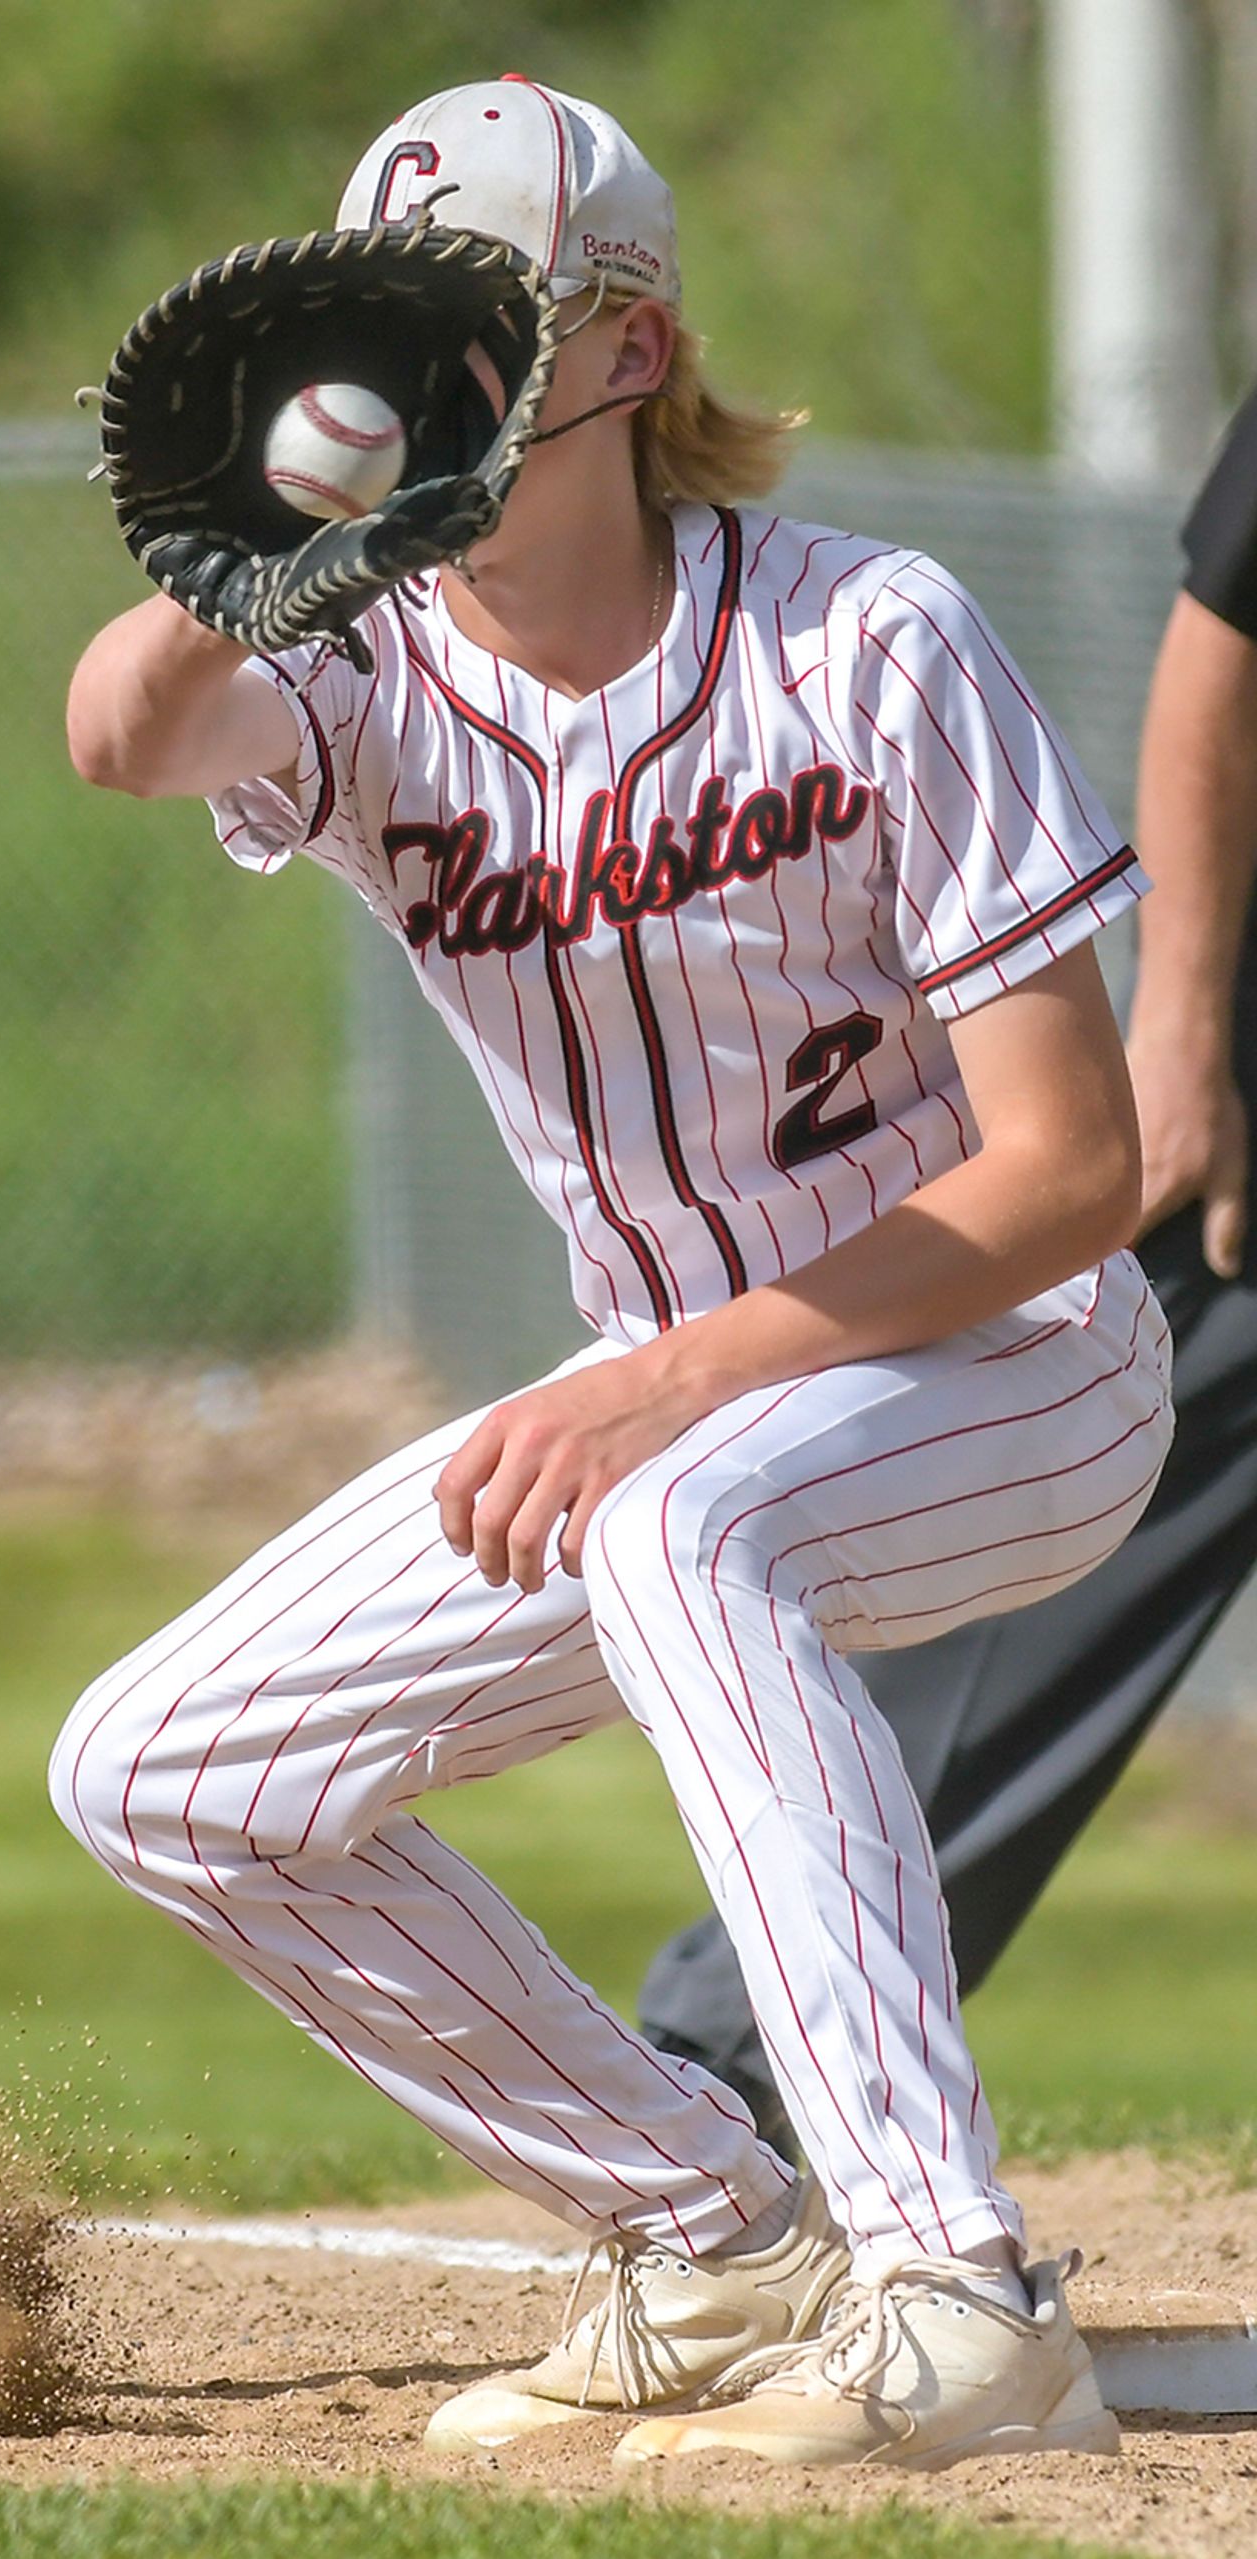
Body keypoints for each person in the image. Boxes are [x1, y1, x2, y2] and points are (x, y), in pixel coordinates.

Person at [51, 79, 1161, 2470]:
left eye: (478, 324)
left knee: (684, 1517)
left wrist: (677, 1386)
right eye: (378, 322)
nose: (413, 370)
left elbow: (1086, 1166)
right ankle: (714, 2232)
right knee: (166, 1765)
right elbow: (120, 736)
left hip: (1021, 1360)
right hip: (683, 1398)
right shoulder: (368, 682)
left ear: (630, 350)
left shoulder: (869, 637)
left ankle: (959, 2295)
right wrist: (244, 546)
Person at [637, 375, 1257, 2146]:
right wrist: (1187, 1035)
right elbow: (1228, 634)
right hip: (1250, 1146)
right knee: (1032, 1620)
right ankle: (746, 2062)